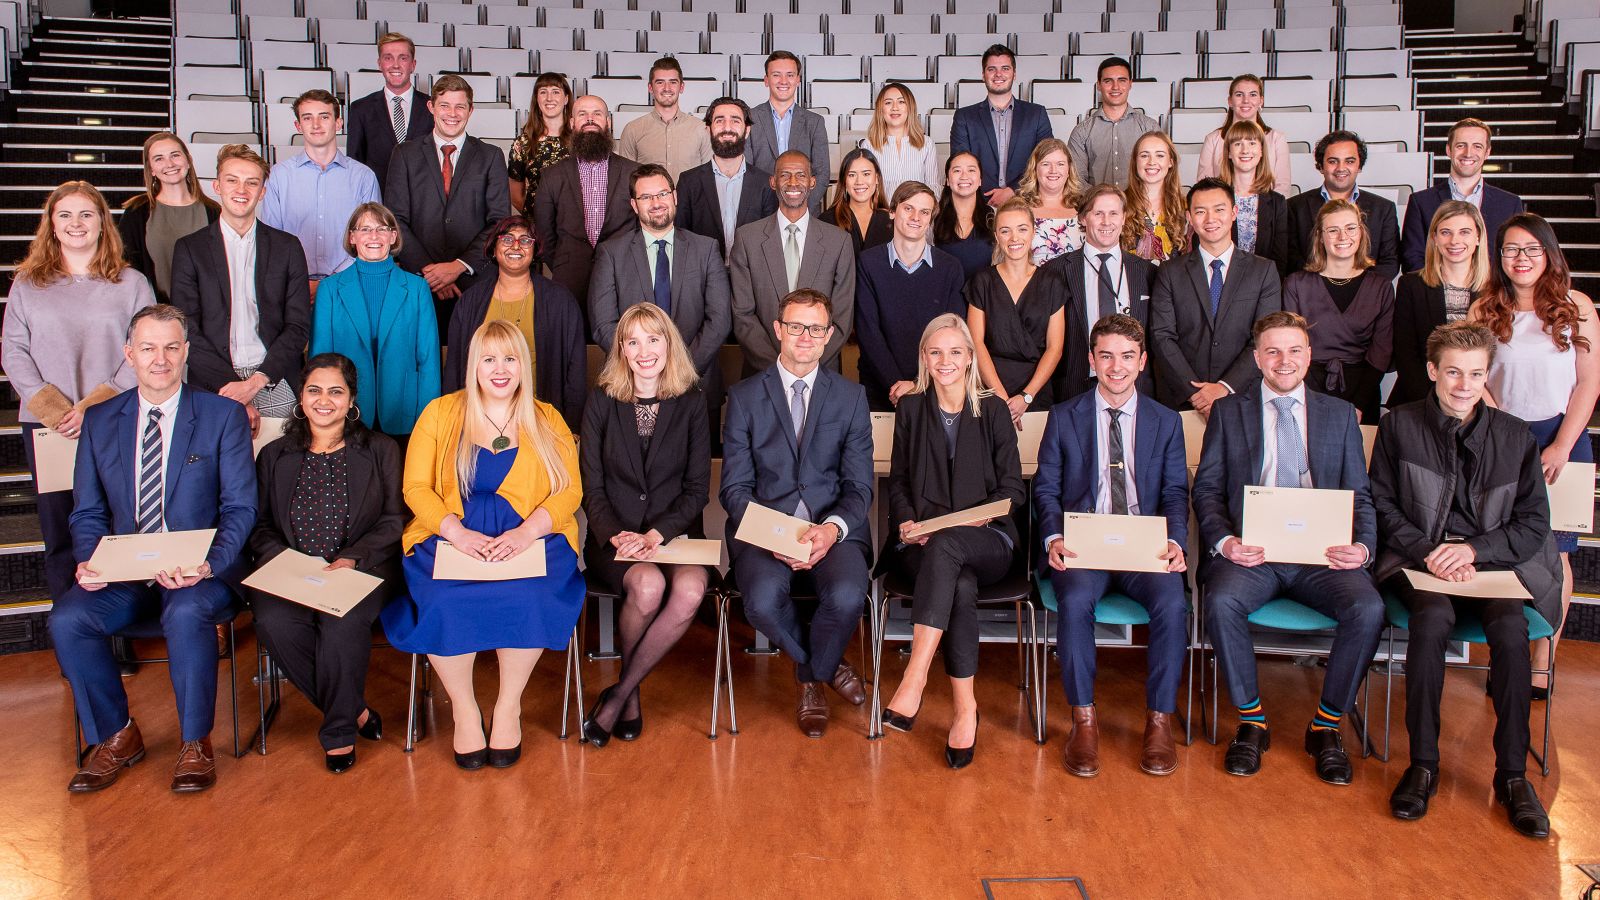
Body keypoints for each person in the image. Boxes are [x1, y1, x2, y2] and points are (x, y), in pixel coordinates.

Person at [52, 304, 256, 794]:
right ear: (129, 354)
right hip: (126, 575)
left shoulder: (221, 415)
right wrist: (89, 562)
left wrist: (208, 565)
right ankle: (117, 734)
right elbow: (87, 512)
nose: (159, 359)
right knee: (67, 619)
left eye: (170, 346)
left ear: (186, 352)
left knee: (185, 613)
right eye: (148, 347)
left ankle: (194, 742)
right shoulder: (101, 421)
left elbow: (241, 509)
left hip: (200, 574)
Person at [1369, 322, 1559, 838]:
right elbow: (1382, 506)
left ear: (1486, 376)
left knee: (1512, 631)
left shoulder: (1514, 436)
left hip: (1492, 567)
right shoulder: (1400, 426)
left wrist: (1474, 549)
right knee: (1430, 622)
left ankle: (1513, 775)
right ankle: (1423, 765)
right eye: (1453, 372)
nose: (1463, 384)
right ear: (1433, 371)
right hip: (1419, 561)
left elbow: (1533, 524)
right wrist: (1434, 552)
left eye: (1475, 374)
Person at [381, 319, 586, 770]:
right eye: (489, 359)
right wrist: (456, 533)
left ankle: (509, 705)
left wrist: (525, 533)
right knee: (442, 599)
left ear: (523, 365)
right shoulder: (439, 412)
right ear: (473, 363)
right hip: (450, 537)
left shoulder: (546, 417)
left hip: (531, 537)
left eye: (510, 358)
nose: (499, 369)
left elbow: (570, 491)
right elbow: (415, 488)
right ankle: (464, 708)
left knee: (532, 595)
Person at [1192, 310, 1384, 783]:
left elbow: (1361, 495)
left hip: (1323, 558)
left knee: (1369, 609)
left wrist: (1362, 549)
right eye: (1273, 351)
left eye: (1294, 350)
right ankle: (1252, 722)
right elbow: (1207, 490)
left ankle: (1325, 726)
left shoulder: (1339, 415)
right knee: (1220, 599)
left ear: (1309, 355)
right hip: (1253, 555)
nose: (1284, 360)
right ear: (1256, 358)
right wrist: (1225, 541)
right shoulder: (1229, 412)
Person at [1034, 314, 1190, 777]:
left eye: (1126, 357)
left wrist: (1176, 541)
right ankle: (1083, 720)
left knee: (1172, 604)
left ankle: (1159, 721)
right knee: (1076, 599)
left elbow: (1176, 493)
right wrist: (1054, 537)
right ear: (1091, 360)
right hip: (1086, 544)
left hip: (1145, 546)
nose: (1116, 367)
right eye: (1106, 356)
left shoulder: (1166, 422)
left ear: (1142, 362)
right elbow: (1045, 488)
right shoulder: (1065, 417)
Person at [720, 288, 874, 738]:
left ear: (828, 336)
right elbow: (735, 489)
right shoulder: (745, 397)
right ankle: (824, 665)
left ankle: (810, 677)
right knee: (762, 602)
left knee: (847, 595)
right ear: (778, 330)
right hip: (766, 533)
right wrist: (779, 538)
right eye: (795, 326)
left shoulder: (850, 398)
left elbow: (859, 487)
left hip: (833, 530)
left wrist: (830, 531)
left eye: (815, 328)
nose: (804, 336)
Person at [878, 314, 1024, 768]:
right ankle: (966, 709)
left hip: (989, 541)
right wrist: (904, 520)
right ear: (924, 358)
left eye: (956, 352)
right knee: (955, 579)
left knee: (952, 546)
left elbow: (1013, 492)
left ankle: (915, 676)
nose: (945, 361)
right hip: (922, 544)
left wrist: (976, 520)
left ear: (969, 359)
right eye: (935, 352)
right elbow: (898, 482)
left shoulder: (995, 410)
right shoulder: (912, 409)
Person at [247, 353, 404, 774]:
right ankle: (354, 710)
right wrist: (288, 563)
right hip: (292, 572)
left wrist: (352, 558)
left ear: (351, 399)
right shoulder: (274, 455)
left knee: (340, 622)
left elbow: (394, 520)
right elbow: (259, 526)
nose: (324, 401)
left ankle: (337, 733)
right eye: (314, 390)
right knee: (273, 621)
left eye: (336, 391)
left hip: (363, 569)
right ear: (301, 397)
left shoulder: (381, 450)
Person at [3, 181, 155, 606]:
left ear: (102, 223)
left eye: (86, 214)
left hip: (114, 422)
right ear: (51, 225)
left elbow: (146, 350)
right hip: (49, 429)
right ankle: (75, 634)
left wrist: (92, 409)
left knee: (114, 525)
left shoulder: (131, 283)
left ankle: (117, 629)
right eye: (65, 215)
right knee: (59, 532)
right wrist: (55, 412)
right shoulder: (27, 284)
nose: (76, 223)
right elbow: (12, 351)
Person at [1471, 213, 1600, 700]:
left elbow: (1589, 381)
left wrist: (1563, 444)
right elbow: (1474, 375)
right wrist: (1503, 431)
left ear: (1548, 253)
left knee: (1556, 557)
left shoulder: (1577, 307)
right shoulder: (1486, 307)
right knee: (1501, 551)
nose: (1520, 259)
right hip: (1502, 437)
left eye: (1530, 249)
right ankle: (1507, 656)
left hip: (1561, 438)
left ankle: (1544, 660)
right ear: (1499, 258)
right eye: (1509, 250)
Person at [578, 304, 711, 746]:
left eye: (653, 339)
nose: (644, 350)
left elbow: (696, 489)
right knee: (649, 586)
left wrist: (655, 535)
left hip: (673, 537)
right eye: (632, 341)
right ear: (621, 349)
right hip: (612, 539)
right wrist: (617, 534)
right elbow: (590, 487)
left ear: (668, 343)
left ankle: (619, 694)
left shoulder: (692, 399)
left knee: (691, 589)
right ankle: (629, 699)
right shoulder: (601, 398)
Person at [170, 144, 311, 427]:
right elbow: (186, 330)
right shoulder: (190, 249)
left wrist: (255, 382)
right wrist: (233, 387)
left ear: (262, 192)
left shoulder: (288, 247)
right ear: (217, 186)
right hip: (213, 380)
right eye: (232, 180)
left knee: (279, 466)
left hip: (274, 377)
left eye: (252, 182)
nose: (241, 190)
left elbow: (298, 327)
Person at [590, 164, 731, 435]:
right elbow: (603, 324)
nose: (656, 203)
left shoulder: (706, 248)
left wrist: (681, 370)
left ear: (675, 197)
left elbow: (720, 319)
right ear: (634, 205)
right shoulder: (612, 253)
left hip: (696, 382)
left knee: (699, 473)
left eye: (662, 194)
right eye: (646, 197)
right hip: (633, 387)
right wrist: (645, 367)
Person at [308, 202, 441, 441]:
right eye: (365, 229)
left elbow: (428, 358)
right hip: (346, 410)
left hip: (405, 408)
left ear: (393, 236)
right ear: (352, 237)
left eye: (382, 228)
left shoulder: (417, 287)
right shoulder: (329, 288)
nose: (374, 236)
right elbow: (320, 359)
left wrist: (429, 417)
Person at [1148, 178, 1282, 414]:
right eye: (1201, 211)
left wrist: (1225, 387)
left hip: (1243, 399)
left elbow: (1265, 338)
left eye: (1219, 210)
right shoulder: (1169, 272)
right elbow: (1162, 336)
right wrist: (1196, 394)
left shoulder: (1263, 271)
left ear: (1234, 212)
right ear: (1189, 217)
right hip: (1183, 401)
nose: (1211, 219)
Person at [387, 75, 511, 322]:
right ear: (431, 107)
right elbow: (394, 219)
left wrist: (458, 266)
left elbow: (499, 221)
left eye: (460, 106)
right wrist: (430, 272)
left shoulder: (491, 156)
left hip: (474, 282)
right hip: (418, 282)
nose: (452, 113)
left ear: (470, 110)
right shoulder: (404, 154)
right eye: (444, 105)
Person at [444, 217, 586, 431]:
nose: (516, 246)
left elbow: (575, 371)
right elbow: (455, 368)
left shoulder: (560, 300)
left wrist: (571, 428)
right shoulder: (470, 301)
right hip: (480, 424)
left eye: (526, 240)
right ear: (493, 248)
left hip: (542, 424)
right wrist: (454, 424)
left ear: (535, 249)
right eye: (507, 239)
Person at [728, 150, 857, 372]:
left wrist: (808, 365)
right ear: (773, 182)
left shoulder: (839, 242)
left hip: (821, 372)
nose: (793, 182)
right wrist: (780, 368)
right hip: (763, 372)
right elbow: (743, 315)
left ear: (813, 182)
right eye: (785, 175)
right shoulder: (747, 238)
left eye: (801, 175)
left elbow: (842, 318)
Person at [854, 181, 967, 411]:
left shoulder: (950, 268)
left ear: (930, 219)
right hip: (880, 388)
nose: (916, 217)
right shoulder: (868, 263)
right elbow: (868, 332)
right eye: (908, 208)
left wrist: (918, 384)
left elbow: (953, 334)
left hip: (935, 386)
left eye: (924, 212)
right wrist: (897, 386)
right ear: (893, 212)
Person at [258, 90, 382, 299]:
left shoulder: (363, 177)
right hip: (293, 288)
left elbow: (372, 239)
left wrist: (332, 283)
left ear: (338, 123)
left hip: (349, 287)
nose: (316, 125)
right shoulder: (279, 176)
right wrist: (299, 281)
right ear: (298, 126)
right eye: (308, 118)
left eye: (324, 116)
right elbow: (272, 240)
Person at [1283, 199, 1395, 423]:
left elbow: (1381, 351)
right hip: (1307, 389)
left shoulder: (1380, 286)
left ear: (1361, 232)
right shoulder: (1296, 284)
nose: (1343, 237)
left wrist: (1359, 404)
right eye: (1333, 230)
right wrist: (1311, 402)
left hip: (1364, 391)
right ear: (1320, 237)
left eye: (1350, 228)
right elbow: (1291, 346)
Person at [1042, 184, 1155, 400]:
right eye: (1098, 213)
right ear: (1083, 219)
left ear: (1123, 218)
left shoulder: (1148, 272)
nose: (1106, 222)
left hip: (1135, 388)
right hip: (1073, 387)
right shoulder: (1055, 271)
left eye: (1114, 213)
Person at [532, 95, 640, 312]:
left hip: (624, 275)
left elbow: (641, 227)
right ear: (571, 123)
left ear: (608, 122)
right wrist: (565, 263)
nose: (590, 119)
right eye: (582, 114)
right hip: (569, 278)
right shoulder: (552, 175)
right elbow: (544, 232)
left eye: (597, 114)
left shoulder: (634, 172)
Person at [967, 197, 1066, 418]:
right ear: (996, 237)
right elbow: (976, 343)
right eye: (1005, 231)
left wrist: (1026, 396)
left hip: (1036, 392)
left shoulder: (1052, 283)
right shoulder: (982, 281)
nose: (1014, 238)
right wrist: (1000, 398)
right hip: (989, 391)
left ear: (1033, 232)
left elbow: (1055, 348)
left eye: (1022, 229)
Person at [1391, 201, 1490, 408]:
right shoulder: (1411, 285)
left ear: (1478, 237)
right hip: (1420, 401)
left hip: (1480, 404)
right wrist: (1437, 405)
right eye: (1446, 232)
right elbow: (1406, 354)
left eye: (1464, 232)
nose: (1454, 240)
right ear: (1434, 238)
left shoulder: (1495, 290)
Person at [1400, 118, 1525, 273]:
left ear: (1487, 152)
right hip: (1437, 293)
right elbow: (1411, 258)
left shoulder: (1510, 204)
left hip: (1492, 293)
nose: (1468, 153)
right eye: (1461, 146)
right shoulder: (1420, 202)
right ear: (1448, 150)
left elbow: (1515, 254)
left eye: (1477, 146)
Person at [118, 132, 217, 304]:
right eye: (159, 159)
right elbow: (127, 270)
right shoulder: (136, 213)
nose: (169, 164)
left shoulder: (214, 212)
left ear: (188, 160)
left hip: (206, 317)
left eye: (175, 155)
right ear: (151, 169)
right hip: (157, 316)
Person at [950, 44, 1053, 208]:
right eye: (991, 69)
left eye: (1005, 68)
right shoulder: (964, 117)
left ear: (1014, 74)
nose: (998, 74)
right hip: (978, 204)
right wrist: (988, 195)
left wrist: (1012, 190)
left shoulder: (1036, 114)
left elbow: (1045, 160)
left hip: (1026, 201)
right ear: (983, 75)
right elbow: (960, 163)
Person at [1287, 131, 1400, 279]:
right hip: (1311, 295)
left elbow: (1390, 262)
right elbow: (1289, 259)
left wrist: (1357, 288)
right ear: (1321, 166)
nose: (1341, 168)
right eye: (1333, 161)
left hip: (1367, 297)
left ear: (1359, 166)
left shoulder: (1384, 209)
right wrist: (1323, 286)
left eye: (1350, 161)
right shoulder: (1294, 207)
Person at [675, 96, 778, 260]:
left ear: (747, 130)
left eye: (735, 121)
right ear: (709, 129)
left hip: (751, 277)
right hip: (704, 278)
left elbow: (770, 240)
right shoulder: (689, 182)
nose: (727, 128)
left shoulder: (766, 183)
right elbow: (680, 238)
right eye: (719, 121)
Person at [345, 32, 434, 191]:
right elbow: (354, 163)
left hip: (424, 203)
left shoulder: (433, 107)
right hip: (378, 203)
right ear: (379, 64)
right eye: (388, 58)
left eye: (403, 58)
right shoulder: (360, 109)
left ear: (413, 64)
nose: (395, 65)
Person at [746, 51, 830, 214]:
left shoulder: (815, 122)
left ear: (798, 80)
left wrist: (799, 206)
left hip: (804, 212)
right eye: (776, 75)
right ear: (766, 80)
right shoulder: (749, 118)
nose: (783, 81)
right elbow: (747, 172)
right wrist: (762, 207)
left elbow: (822, 173)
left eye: (790, 75)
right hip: (759, 213)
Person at [1068, 57, 1159, 191]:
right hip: (1096, 208)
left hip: (1140, 208)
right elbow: (1077, 179)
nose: (1115, 87)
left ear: (1130, 84)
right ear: (1098, 85)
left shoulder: (1149, 128)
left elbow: (1159, 173)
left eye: (1122, 80)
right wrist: (1103, 202)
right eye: (1108, 81)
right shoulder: (1082, 131)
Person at [1194, 74, 1292, 195]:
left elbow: (1283, 186)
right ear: (1230, 101)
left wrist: (1267, 209)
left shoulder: (1277, 138)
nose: (1246, 100)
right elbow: (1204, 186)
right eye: (1239, 95)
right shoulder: (1213, 139)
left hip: (1267, 209)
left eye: (1253, 94)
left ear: (1261, 100)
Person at [617, 57, 711, 181]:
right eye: (660, 82)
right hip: (649, 200)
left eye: (673, 82)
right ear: (650, 88)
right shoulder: (632, 129)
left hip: (691, 201)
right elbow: (626, 179)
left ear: (681, 87)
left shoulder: (701, 129)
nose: (667, 88)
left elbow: (708, 177)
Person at [1219, 120, 1289, 276]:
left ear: (1262, 151)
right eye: (1238, 144)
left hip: (1263, 287)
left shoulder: (1278, 203)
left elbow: (1281, 259)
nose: (1245, 150)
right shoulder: (1215, 197)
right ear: (1229, 152)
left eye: (1252, 143)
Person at [859, 82, 940, 200]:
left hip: (916, 215)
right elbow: (866, 188)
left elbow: (933, 188)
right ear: (880, 109)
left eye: (901, 102)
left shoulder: (926, 144)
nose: (895, 107)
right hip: (881, 214)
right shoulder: (868, 145)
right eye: (888, 103)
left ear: (910, 107)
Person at [507, 72, 572, 216]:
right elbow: (515, 194)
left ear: (566, 99)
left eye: (556, 92)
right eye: (543, 92)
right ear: (537, 99)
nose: (549, 98)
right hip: (537, 226)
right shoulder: (523, 144)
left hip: (574, 227)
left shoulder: (580, 140)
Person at [1122, 131, 1186, 265]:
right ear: (1135, 162)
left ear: (1171, 162)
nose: (1152, 162)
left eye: (1160, 155)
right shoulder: (1119, 204)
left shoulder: (1184, 206)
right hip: (1129, 283)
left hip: (1171, 284)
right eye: (1144, 155)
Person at [932, 151, 995, 283]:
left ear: (980, 180)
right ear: (948, 181)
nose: (964, 176)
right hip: (944, 297)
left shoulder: (994, 217)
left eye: (971, 170)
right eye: (957, 171)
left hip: (984, 298)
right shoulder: (933, 218)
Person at [1018, 138, 1083, 265]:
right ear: (1035, 169)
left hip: (1075, 282)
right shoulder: (1020, 207)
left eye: (1060, 164)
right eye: (1046, 164)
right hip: (1033, 282)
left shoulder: (1084, 207)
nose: (1053, 170)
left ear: (1069, 170)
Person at [820, 148, 893, 255]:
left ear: (877, 178)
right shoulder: (826, 222)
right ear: (844, 181)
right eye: (852, 175)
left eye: (866, 174)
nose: (859, 181)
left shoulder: (891, 220)